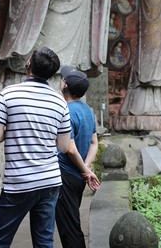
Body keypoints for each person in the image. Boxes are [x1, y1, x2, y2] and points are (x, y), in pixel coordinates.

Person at [0, 47, 72, 248]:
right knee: (44, 242)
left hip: (19, 182)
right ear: (52, 74)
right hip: (50, 181)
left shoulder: (9, 94)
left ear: (28, 64)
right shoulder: (60, 101)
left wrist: (15, 130)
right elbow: (64, 145)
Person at [55, 66, 100, 248]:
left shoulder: (67, 111)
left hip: (65, 173)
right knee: (71, 220)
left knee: (69, 227)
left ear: (65, 85)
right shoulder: (88, 110)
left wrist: (85, 171)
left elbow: (70, 149)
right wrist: (86, 169)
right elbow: (94, 143)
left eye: (62, 78)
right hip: (78, 177)